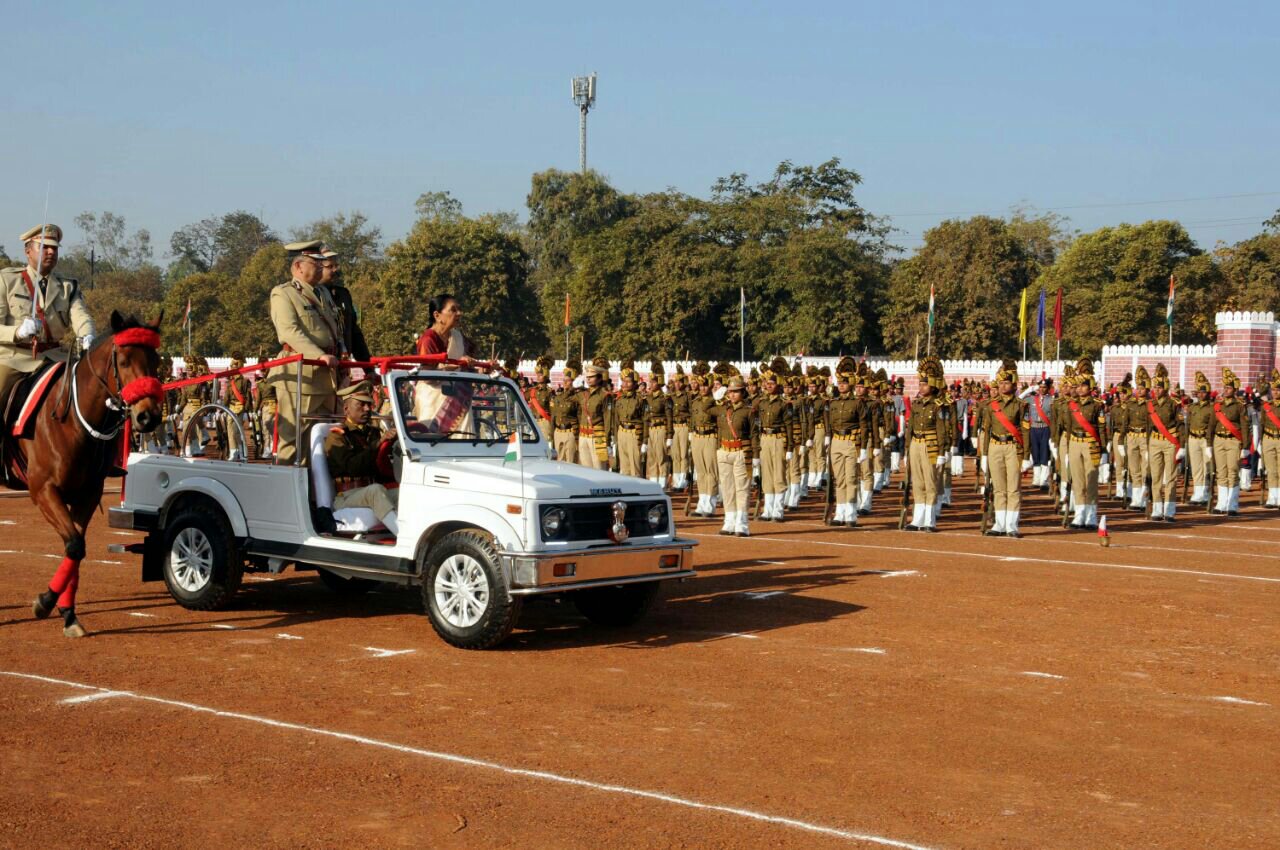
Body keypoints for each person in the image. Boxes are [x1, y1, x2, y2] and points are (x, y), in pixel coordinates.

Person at [0, 224, 96, 414]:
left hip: (55, 358)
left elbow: (81, 316)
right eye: (44, 247)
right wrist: (17, 332)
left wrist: (88, 335)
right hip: (15, 359)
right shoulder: (6, 280)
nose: (51, 251)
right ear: (28, 251)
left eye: (54, 248)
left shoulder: (68, 286)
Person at [267, 241, 341, 464]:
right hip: (300, 376)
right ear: (298, 267)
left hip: (326, 377)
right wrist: (319, 355)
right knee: (293, 439)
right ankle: (284, 491)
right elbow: (289, 332)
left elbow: (335, 328)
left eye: (321, 263)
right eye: (315, 263)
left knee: (321, 440)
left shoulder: (323, 293)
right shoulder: (283, 293)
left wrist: (341, 353)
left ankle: (313, 493)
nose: (321, 267)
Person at [323, 382, 399, 536]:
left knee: (405, 492)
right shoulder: (337, 436)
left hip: (371, 489)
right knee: (375, 491)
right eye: (361, 405)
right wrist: (378, 444)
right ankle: (403, 537)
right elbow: (352, 467)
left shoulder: (373, 432)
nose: (367, 409)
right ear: (346, 409)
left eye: (369, 405)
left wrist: (393, 447)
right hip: (346, 496)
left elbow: (381, 466)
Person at [981, 362, 1032, 536]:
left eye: (1006, 383)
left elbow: (1025, 431)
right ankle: (999, 524)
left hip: (1012, 447)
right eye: (1000, 383)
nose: (1002, 386)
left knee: (1013, 488)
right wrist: (984, 455)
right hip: (995, 446)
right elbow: (987, 430)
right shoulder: (991, 405)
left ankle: (1011, 525)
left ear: (1014, 384)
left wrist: (1026, 456)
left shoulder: (1021, 405)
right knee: (999, 488)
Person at [904, 357, 951, 531]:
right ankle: (917, 518)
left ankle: (929, 520)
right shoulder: (916, 404)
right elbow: (910, 429)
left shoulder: (938, 405)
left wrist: (941, 453)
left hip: (930, 446)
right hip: (915, 444)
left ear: (932, 386)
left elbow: (941, 430)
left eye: (924, 385)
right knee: (917, 482)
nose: (921, 387)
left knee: (930, 482)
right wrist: (906, 449)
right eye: (920, 384)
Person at [825, 361, 872, 527]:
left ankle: (851, 514)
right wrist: (827, 438)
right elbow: (829, 423)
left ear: (850, 384)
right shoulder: (834, 402)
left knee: (851, 478)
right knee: (839, 479)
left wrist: (864, 448)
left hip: (852, 442)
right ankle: (840, 512)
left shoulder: (857, 403)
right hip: (836, 442)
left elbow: (864, 426)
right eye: (840, 383)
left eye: (844, 383)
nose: (841, 386)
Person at [1066, 359, 1108, 529]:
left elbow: (1101, 428)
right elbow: (1069, 426)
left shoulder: (1097, 405)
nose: (1079, 389)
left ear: (1089, 387)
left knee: (1091, 482)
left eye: (1083, 385)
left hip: (1091, 444)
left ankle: (1091, 516)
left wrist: (1104, 449)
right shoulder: (1072, 404)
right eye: (1078, 386)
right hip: (1075, 442)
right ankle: (1079, 515)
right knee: (1077, 481)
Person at [713, 375, 756, 536]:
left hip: (741, 452)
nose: (732, 395)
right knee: (727, 489)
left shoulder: (749, 411)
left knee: (742, 489)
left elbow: (754, 434)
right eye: (730, 392)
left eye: (735, 392)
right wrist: (716, 394)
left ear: (743, 393)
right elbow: (706, 407)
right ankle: (729, 521)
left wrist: (755, 455)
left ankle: (742, 523)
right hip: (724, 451)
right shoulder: (724, 408)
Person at [1145, 364, 1186, 522]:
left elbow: (1180, 426)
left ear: (1166, 388)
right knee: (1155, 477)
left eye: (1159, 387)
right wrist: (1148, 444)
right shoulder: (1151, 404)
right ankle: (1156, 509)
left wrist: (1182, 446)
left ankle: (1169, 510)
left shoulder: (1174, 403)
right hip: (1155, 441)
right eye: (1155, 387)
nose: (1156, 390)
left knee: (1170, 477)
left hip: (1170, 442)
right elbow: (1149, 426)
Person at [317, 246, 370, 362]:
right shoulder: (309, 296)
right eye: (330, 266)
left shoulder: (343, 294)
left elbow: (354, 333)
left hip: (342, 364)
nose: (335, 270)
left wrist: (368, 369)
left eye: (336, 265)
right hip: (320, 364)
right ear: (317, 268)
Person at [754, 365, 792, 521]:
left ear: (778, 385)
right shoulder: (761, 402)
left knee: (778, 474)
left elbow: (789, 426)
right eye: (766, 383)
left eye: (771, 383)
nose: (768, 386)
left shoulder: (784, 404)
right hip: (765, 439)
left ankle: (778, 509)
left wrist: (790, 447)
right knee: (767, 475)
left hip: (778, 439)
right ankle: (767, 509)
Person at [1211, 368, 1249, 515]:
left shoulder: (1240, 406)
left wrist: (1245, 446)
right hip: (1219, 440)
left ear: (1235, 389)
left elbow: (1245, 427)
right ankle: (1221, 503)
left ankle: (1232, 504)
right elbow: (1212, 426)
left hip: (1233, 441)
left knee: (1232, 471)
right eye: (1224, 387)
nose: (1225, 390)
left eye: (1228, 387)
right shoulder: (1218, 405)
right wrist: (1209, 444)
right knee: (1221, 472)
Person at [689, 363, 721, 516]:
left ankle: (711, 503)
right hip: (697, 436)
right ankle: (702, 502)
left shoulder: (715, 401)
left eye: (705, 385)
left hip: (710, 436)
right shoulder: (695, 401)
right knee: (700, 471)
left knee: (711, 471)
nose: (702, 388)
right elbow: (693, 419)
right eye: (700, 385)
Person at [576, 360, 612, 469]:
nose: (588, 379)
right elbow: (568, 399)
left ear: (599, 378)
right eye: (587, 377)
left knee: (599, 467)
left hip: (598, 436)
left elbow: (608, 418)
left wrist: (608, 440)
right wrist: (574, 386)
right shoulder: (583, 393)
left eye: (592, 377)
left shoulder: (604, 395)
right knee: (585, 469)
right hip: (583, 435)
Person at [612, 364, 647, 478]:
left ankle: (637, 491)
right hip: (622, 432)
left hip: (634, 434)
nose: (625, 384)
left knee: (635, 465)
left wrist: (645, 441)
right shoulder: (619, 399)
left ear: (635, 384)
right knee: (624, 465)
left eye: (628, 382)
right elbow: (616, 419)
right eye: (623, 381)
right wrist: (614, 437)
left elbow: (645, 420)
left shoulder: (641, 400)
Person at [1125, 366, 1152, 511]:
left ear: (1147, 390)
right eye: (1138, 388)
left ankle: (1143, 498)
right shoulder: (1131, 404)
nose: (1139, 390)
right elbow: (1125, 423)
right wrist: (1121, 442)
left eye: (1142, 388)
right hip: (1132, 437)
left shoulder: (1150, 405)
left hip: (1144, 437)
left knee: (1144, 469)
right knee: (1134, 469)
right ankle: (1136, 499)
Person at [644, 363, 672, 487]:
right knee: (652, 457)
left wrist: (670, 435)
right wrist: (645, 439)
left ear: (659, 382)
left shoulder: (665, 398)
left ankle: (662, 482)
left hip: (661, 429)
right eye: (650, 382)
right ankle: (653, 483)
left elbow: (669, 417)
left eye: (653, 382)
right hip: (650, 429)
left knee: (661, 457)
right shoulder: (647, 398)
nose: (651, 385)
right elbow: (645, 418)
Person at [221, 356, 251, 462]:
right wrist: (221, 409)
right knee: (231, 431)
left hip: (240, 408)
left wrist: (247, 410)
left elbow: (248, 397)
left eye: (234, 366)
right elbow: (227, 397)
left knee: (237, 432)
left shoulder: (245, 381)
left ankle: (240, 452)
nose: (232, 368)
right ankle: (234, 452)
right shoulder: (231, 381)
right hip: (231, 408)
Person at [550, 360, 580, 463]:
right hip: (558, 432)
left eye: (568, 380)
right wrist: (552, 433)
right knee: (558, 462)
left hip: (570, 432)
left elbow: (579, 417)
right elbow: (553, 417)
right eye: (564, 380)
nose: (565, 383)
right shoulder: (558, 398)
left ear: (573, 381)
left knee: (570, 462)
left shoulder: (577, 397)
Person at [668, 365, 692, 491]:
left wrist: (691, 430)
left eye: (679, 381)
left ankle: (683, 481)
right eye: (676, 381)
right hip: (674, 427)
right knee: (675, 455)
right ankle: (676, 482)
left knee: (684, 455)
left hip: (684, 426)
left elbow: (692, 413)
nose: (677, 384)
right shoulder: (671, 396)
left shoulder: (687, 396)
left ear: (683, 382)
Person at [1259, 370, 1280, 508]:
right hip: (1267, 438)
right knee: (1271, 470)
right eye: (1273, 390)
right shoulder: (1266, 406)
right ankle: (1272, 497)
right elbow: (1261, 424)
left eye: (1277, 390)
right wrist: (1260, 442)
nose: (1275, 392)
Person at [528, 355, 554, 441]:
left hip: (545, 422)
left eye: (541, 375)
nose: (538, 377)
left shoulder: (550, 392)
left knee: (546, 445)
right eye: (537, 375)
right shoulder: (532, 391)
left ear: (546, 376)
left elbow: (553, 410)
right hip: (534, 422)